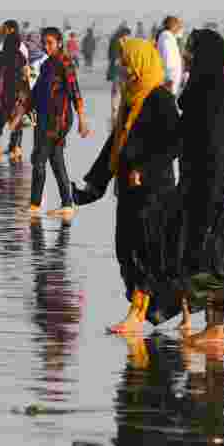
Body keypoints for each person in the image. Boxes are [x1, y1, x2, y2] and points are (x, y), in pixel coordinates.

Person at [74, 39, 185, 333]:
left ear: (140, 64)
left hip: (154, 191)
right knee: (125, 249)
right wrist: (95, 183)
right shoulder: (131, 96)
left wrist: (145, 170)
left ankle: (137, 314)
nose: (122, 67)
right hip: (127, 189)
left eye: (126, 62)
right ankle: (168, 307)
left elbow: (176, 142)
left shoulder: (160, 98)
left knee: (145, 250)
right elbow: (116, 145)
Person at [177, 29, 224, 344]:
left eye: (191, 52)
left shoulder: (205, 93)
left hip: (209, 184)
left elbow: (211, 141)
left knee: (202, 255)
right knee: (206, 254)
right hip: (215, 181)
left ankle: (216, 325)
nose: (186, 56)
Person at [15, 27, 89, 217]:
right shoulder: (47, 64)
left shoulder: (65, 63)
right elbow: (37, 94)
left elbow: (75, 91)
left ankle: (34, 205)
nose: (46, 46)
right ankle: (66, 204)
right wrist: (22, 116)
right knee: (55, 160)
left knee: (39, 158)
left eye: (50, 43)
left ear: (59, 43)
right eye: (44, 43)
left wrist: (82, 119)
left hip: (59, 120)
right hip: (44, 118)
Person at [0, 20, 30, 161]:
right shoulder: (21, 57)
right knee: (17, 123)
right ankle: (15, 148)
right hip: (17, 93)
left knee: (0, 122)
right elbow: (25, 75)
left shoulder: (1, 56)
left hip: (4, 94)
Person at [107, 25, 129, 131]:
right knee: (116, 89)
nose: (127, 38)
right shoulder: (116, 42)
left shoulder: (117, 40)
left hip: (118, 70)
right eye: (126, 36)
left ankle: (116, 108)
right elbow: (115, 57)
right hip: (117, 70)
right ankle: (115, 109)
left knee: (118, 89)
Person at [156, 16, 184, 95]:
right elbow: (168, 60)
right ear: (173, 26)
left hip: (171, 79)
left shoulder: (169, 37)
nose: (180, 28)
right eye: (178, 26)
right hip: (169, 79)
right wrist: (169, 79)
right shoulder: (167, 37)